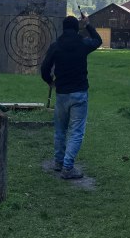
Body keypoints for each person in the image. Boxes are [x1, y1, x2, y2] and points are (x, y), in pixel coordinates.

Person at [40, 13, 102, 179]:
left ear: (63, 28)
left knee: (60, 130)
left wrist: (50, 81)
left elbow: (44, 68)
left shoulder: (56, 45)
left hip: (61, 93)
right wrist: (87, 24)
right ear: (76, 28)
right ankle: (68, 167)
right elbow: (98, 41)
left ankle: (59, 162)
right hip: (79, 93)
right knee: (76, 132)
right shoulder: (83, 43)